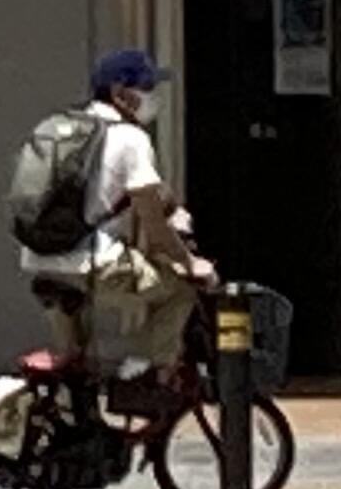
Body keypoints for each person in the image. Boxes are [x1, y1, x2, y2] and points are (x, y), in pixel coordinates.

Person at [18, 48, 215, 393]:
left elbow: (147, 196)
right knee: (180, 290)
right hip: (92, 263)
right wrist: (189, 263)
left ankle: (76, 426)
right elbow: (153, 226)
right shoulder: (131, 139)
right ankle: (147, 372)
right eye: (147, 88)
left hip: (39, 260)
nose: (152, 97)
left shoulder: (63, 130)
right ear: (121, 94)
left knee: (75, 366)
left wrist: (169, 208)